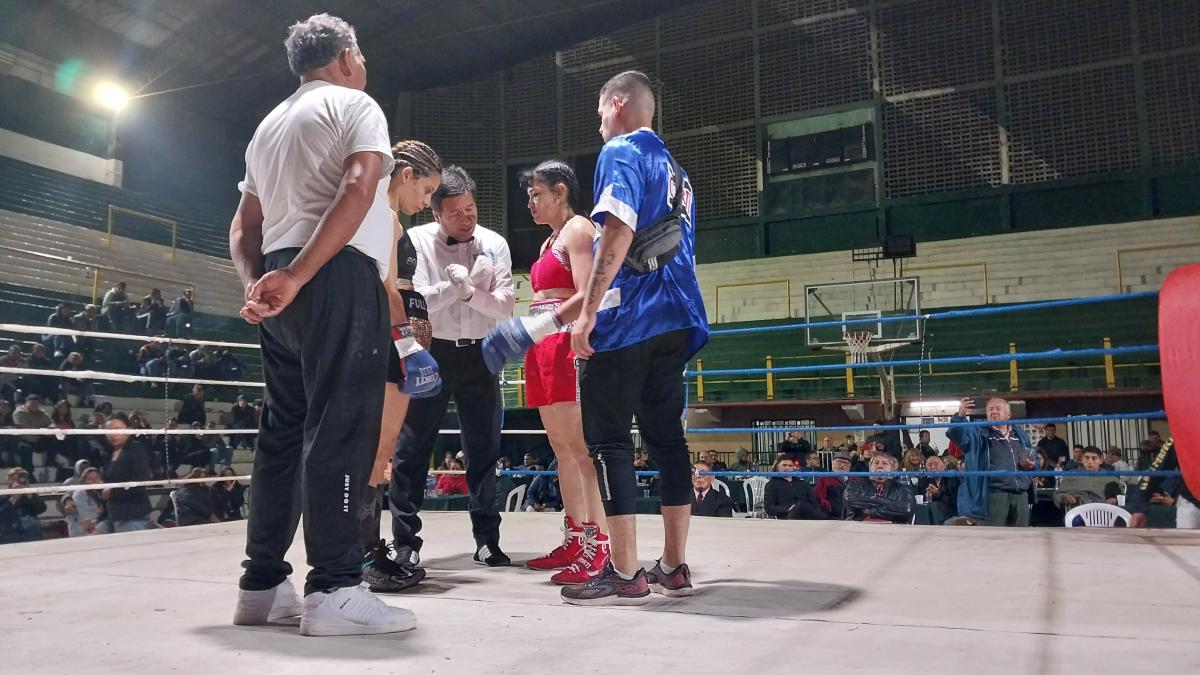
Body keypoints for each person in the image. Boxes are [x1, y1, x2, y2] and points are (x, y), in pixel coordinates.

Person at [228, 13, 415, 636]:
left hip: (280, 281)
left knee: (283, 431)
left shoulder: (267, 126)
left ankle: (262, 585)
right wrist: (304, 274)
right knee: (342, 426)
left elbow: (243, 226)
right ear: (346, 56)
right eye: (360, 55)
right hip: (331, 274)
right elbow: (362, 186)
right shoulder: (355, 105)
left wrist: (259, 284)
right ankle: (334, 586)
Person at [558, 71, 708, 606]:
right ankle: (673, 565)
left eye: (600, 112)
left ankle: (623, 573)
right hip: (679, 318)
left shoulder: (621, 150)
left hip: (631, 320)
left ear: (617, 105)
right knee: (668, 441)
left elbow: (618, 231)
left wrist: (588, 312)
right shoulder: (679, 173)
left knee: (610, 442)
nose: (598, 123)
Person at [481, 160, 612, 584]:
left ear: (560, 191)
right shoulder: (548, 241)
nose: (531, 203)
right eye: (528, 196)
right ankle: (575, 537)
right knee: (561, 448)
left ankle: (600, 544)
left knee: (582, 448)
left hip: (564, 339)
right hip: (542, 344)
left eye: (537, 194)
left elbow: (591, 289)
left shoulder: (578, 230)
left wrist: (544, 325)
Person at [389, 164, 513, 573]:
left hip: (481, 353)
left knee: (484, 451)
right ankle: (405, 543)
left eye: (472, 208)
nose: (467, 218)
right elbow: (418, 300)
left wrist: (471, 292)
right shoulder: (417, 241)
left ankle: (487, 541)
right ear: (436, 212)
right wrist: (458, 288)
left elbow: (505, 305)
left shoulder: (494, 243)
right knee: (412, 448)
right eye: (456, 211)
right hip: (433, 350)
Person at [361, 139, 444, 595]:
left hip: (387, 338)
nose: (426, 202)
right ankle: (365, 554)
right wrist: (410, 346)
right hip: (390, 340)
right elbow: (389, 289)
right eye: (427, 190)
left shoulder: (380, 214)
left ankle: (366, 551)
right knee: (378, 450)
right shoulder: (386, 216)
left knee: (379, 451)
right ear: (406, 175)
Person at [946, 396, 1037, 526]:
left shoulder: (1020, 435)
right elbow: (958, 435)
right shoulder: (978, 433)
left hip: (1020, 494)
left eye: (998, 408)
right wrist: (959, 416)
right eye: (990, 409)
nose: (993, 411)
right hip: (993, 495)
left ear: (1008, 414)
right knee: (992, 539)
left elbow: (1032, 457)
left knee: (1020, 539)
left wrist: (1030, 464)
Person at [102, 414, 153, 533]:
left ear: (128, 430)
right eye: (108, 430)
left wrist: (112, 491)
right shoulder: (110, 452)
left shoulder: (135, 449)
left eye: (117, 429)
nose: (112, 434)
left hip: (132, 514)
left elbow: (141, 480)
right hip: (115, 514)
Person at [1128, 442, 1198, 529]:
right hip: (1192, 503)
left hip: (1191, 502)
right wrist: (1139, 506)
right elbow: (1156, 470)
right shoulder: (1182, 434)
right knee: (1185, 539)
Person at [844, 453, 915, 523]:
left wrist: (871, 511)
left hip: (892, 529)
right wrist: (887, 503)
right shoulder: (856, 484)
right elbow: (850, 499)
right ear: (870, 468)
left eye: (884, 463)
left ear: (892, 469)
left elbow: (907, 510)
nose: (880, 466)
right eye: (876, 463)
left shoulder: (902, 487)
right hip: (859, 528)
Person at [1054, 446, 1123, 510]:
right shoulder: (1072, 475)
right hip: (1078, 513)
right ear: (1082, 460)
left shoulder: (1109, 477)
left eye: (1094, 458)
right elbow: (1058, 495)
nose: (1090, 462)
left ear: (1101, 460)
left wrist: (1113, 501)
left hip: (1105, 513)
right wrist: (1065, 497)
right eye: (1087, 458)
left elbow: (1121, 497)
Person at [763, 455, 825, 520]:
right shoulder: (772, 484)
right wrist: (788, 508)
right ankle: (827, 519)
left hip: (807, 514)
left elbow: (814, 503)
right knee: (801, 505)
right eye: (784, 465)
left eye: (790, 466)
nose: (787, 468)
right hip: (787, 515)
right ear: (778, 467)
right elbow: (769, 507)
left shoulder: (803, 483)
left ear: (793, 468)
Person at [0, 468, 45, 543]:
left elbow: (41, 509)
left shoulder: (30, 495)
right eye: (14, 479)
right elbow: (2, 516)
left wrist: (29, 493)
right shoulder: (3, 496)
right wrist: (14, 498)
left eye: (20, 479)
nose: (18, 482)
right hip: (10, 531)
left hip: (31, 530)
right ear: (9, 481)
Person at [65, 466, 110, 537]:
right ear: (83, 482)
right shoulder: (79, 494)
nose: (94, 481)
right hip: (81, 530)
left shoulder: (100, 492)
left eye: (96, 478)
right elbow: (87, 521)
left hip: (96, 527)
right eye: (90, 479)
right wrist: (98, 512)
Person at [917, 454, 959, 523]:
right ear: (926, 468)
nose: (933, 467)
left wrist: (939, 493)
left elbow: (954, 501)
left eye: (936, 464)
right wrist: (927, 495)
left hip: (949, 513)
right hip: (929, 512)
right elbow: (919, 498)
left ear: (943, 466)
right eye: (930, 465)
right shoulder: (924, 480)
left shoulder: (952, 479)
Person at [815, 452, 853, 519]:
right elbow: (819, 497)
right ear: (833, 463)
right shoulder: (824, 478)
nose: (842, 465)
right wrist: (828, 508)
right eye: (839, 462)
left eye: (845, 463)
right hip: (833, 517)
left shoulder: (854, 480)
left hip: (853, 516)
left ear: (849, 466)